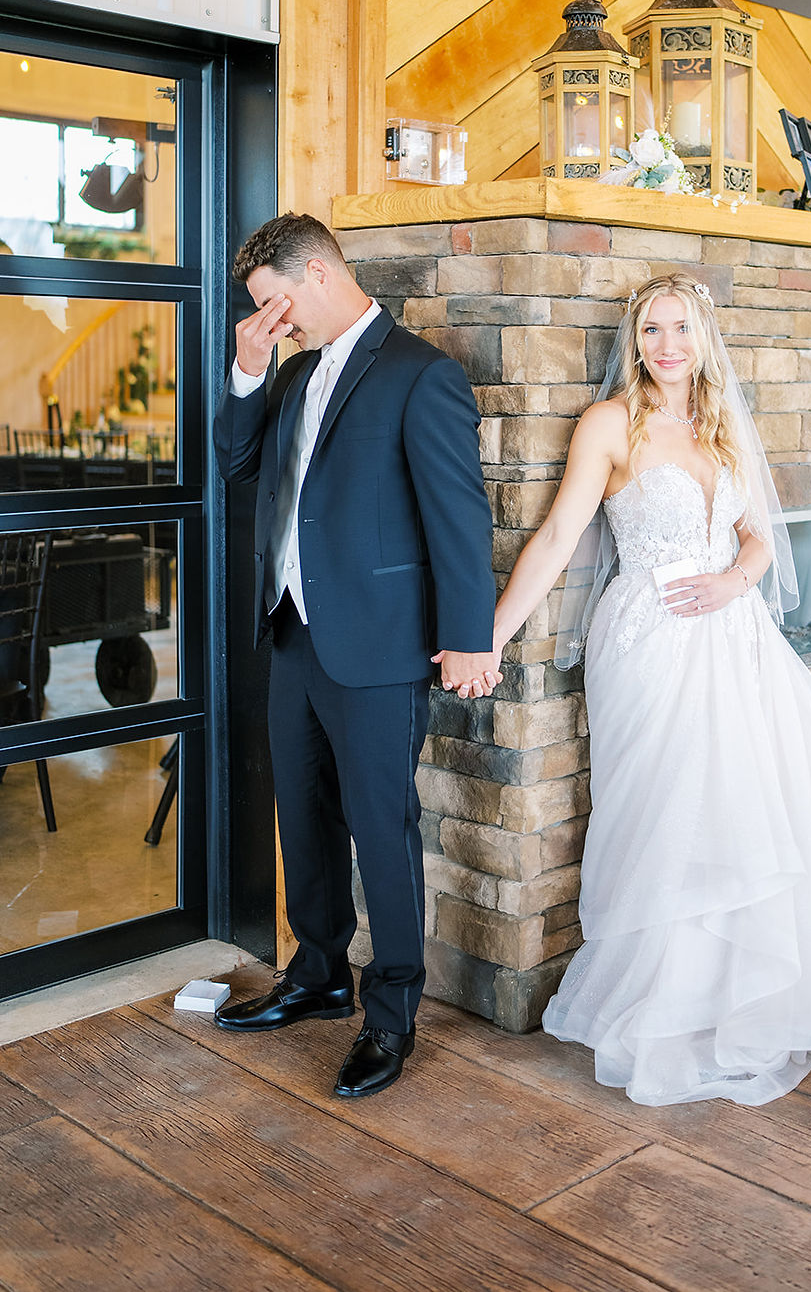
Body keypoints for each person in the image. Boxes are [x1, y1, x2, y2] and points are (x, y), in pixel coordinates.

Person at [474, 270, 811, 1143]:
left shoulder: (722, 426)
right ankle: (670, 995)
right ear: (634, 343)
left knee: (748, 808)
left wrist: (735, 581)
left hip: (735, 636)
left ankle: (747, 987)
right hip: (650, 640)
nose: (665, 345)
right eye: (650, 330)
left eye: (679, 328)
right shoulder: (610, 425)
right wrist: (489, 636)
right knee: (669, 809)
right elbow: (560, 536)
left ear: (704, 338)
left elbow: (757, 539)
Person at [213, 212, 499, 1098]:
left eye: (274, 304)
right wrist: (248, 372)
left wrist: (469, 638)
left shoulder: (423, 375)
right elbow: (238, 463)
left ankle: (392, 1014)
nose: (272, 319)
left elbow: (459, 517)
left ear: (317, 276)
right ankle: (319, 975)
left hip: (378, 645)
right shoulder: (290, 372)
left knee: (382, 829)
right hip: (294, 632)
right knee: (301, 816)